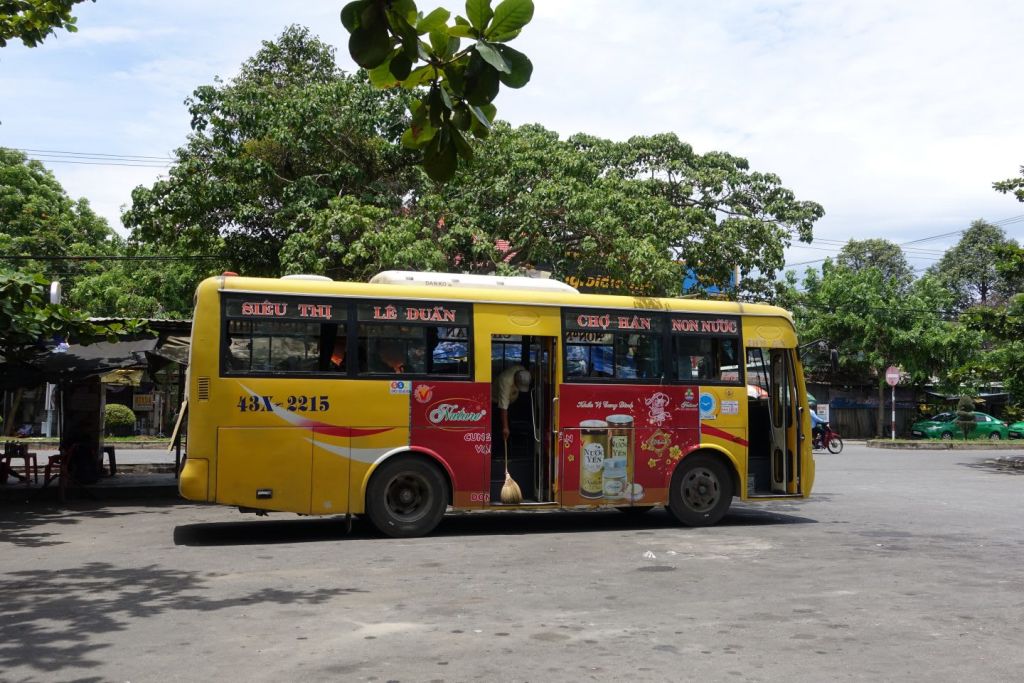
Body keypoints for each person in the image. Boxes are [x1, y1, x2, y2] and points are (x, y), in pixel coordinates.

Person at [493, 364, 531, 441]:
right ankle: (499, 447)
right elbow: (503, 407)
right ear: (515, 381)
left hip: (511, 402)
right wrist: (505, 428)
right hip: (496, 401)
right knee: (499, 428)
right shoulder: (505, 381)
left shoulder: (522, 371)